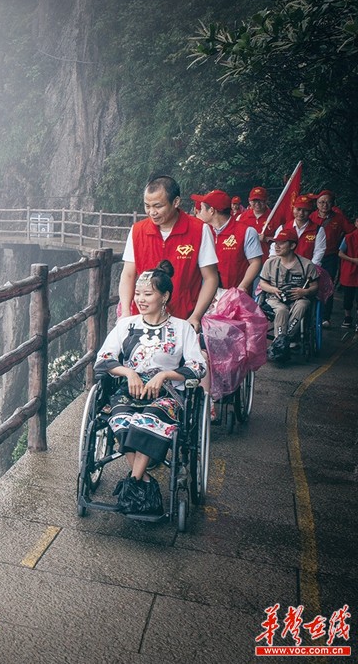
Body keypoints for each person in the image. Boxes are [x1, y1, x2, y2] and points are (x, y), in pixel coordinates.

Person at [95, 260, 206, 515]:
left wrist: (165, 375)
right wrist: (128, 372)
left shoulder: (182, 328)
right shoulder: (126, 325)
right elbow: (103, 359)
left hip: (166, 395)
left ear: (165, 296)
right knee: (122, 418)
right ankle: (143, 482)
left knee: (149, 419)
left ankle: (133, 483)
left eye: (148, 294)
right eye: (137, 294)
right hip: (129, 389)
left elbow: (198, 367)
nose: (140, 299)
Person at [119, 176, 219, 332]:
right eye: (147, 206)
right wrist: (125, 311)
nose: (152, 212)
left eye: (158, 206)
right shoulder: (137, 231)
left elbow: (211, 277)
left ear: (176, 202)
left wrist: (196, 316)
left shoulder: (199, 230)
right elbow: (128, 275)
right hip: (143, 318)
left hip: (183, 317)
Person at [258, 229, 319, 362]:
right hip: (275, 298)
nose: (277, 246)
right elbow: (262, 283)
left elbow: (315, 286)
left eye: (281, 243)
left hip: (298, 298)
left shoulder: (306, 264)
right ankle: (283, 342)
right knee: (281, 310)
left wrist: (305, 292)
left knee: (304, 304)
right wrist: (273, 289)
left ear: (292, 246)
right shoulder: (270, 263)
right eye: (276, 243)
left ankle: (283, 340)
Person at [194, 188, 263, 294]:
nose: (199, 212)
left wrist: (242, 287)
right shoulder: (204, 231)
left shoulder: (246, 232)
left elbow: (255, 262)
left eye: (202, 209)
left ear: (212, 211)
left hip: (236, 296)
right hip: (208, 296)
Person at [312, 190, 355, 326]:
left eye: (327, 202)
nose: (324, 205)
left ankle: (326, 317)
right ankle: (310, 314)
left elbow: (353, 232)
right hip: (312, 257)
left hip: (330, 257)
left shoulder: (338, 218)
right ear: (317, 204)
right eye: (321, 202)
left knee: (327, 284)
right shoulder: (311, 217)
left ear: (332, 204)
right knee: (310, 284)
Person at [273, 194, 325, 265]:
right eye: (298, 209)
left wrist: (310, 268)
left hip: (307, 268)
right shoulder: (283, 228)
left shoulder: (318, 230)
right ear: (293, 209)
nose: (301, 213)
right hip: (285, 267)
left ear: (310, 212)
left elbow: (319, 252)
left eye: (305, 210)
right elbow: (274, 247)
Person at [235, 186, 284, 259]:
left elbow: (284, 240)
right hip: (247, 262)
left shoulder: (276, 217)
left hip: (268, 260)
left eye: (261, 200)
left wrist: (267, 239)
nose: (257, 204)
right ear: (249, 201)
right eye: (254, 201)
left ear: (266, 200)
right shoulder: (241, 218)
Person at [337, 216, 358, 329]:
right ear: (355, 223)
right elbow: (340, 253)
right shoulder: (348, 237)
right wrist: (353, 260)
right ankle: (347, 318)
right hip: (349, 269)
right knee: (348, 297)